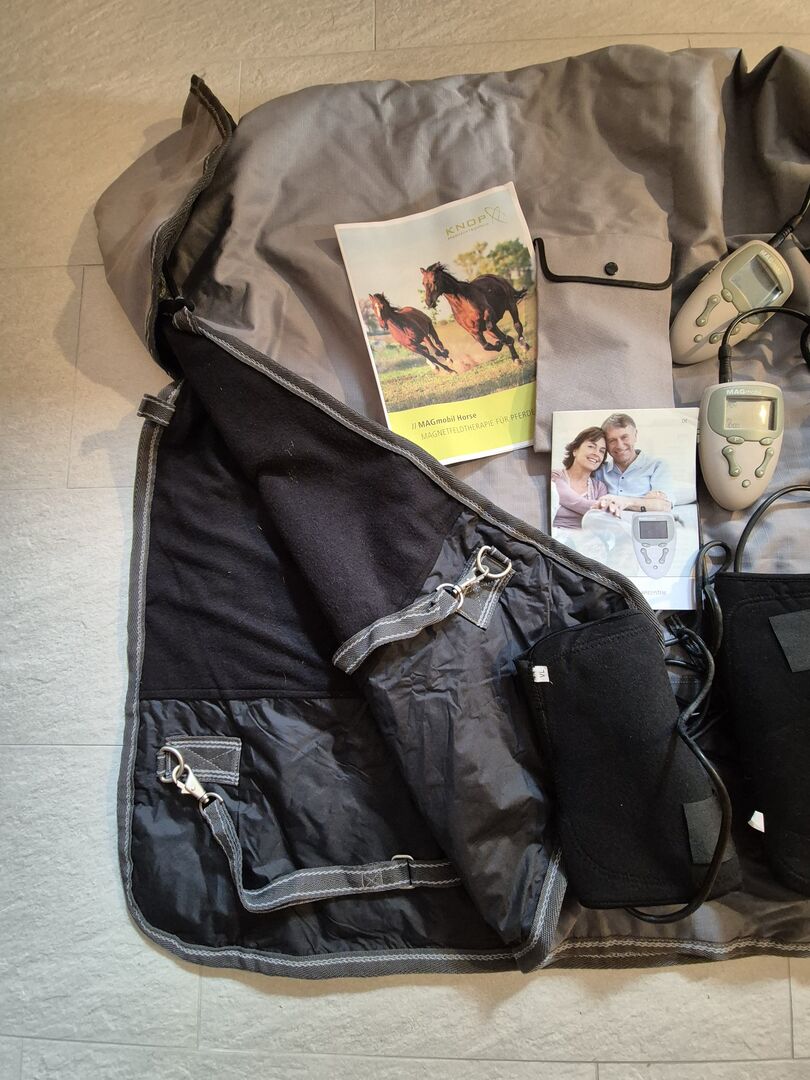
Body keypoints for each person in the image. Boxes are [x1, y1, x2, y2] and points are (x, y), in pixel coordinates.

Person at [595, 412, 673, 513]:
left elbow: (664, 506)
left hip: (642, 522)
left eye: (624, 437)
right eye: (612, 440)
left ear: (635, 435)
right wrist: (647, 502)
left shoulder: (657, 465)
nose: (619, 445)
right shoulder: (600, 470)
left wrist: (625, 502)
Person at [551, 427, 609, 528]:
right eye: (591, 446)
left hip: (588, 537)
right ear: (575, 450)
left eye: (602, 451)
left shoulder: (599, 488)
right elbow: (579, 503)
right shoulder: (555, 476)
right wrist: (599, 508)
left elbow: (602, 519)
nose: (596, 453)